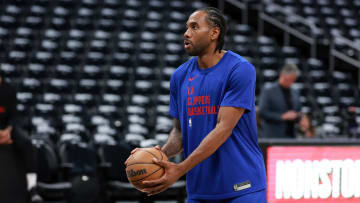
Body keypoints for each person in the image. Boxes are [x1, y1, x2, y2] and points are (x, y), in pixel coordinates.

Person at [127, 7, 267, 202]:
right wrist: (156, 156)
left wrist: (181, 168)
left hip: (242, 186)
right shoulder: (179, 76)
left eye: (194, 27)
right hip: (200, 189)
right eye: (186, 28)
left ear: (214, 33)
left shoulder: (240, 69)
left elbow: (223, 128)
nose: (186, 33)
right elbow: (179, 132)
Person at [0, 74, 38, 203]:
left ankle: (32, 187)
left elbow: (14, 114)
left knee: (27, 142)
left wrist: (8, 130)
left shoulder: (9, 89)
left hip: (7, 127)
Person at [258, 64, 302, 138]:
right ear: (282, 75)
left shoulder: (295, 91)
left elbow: (299, 110)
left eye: (293, 80)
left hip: (292, 135)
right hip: (273, 135)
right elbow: (262, 112)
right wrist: (282, 117)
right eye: (290, 79)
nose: (291, 82)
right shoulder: (268, 90)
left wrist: (297, 116)